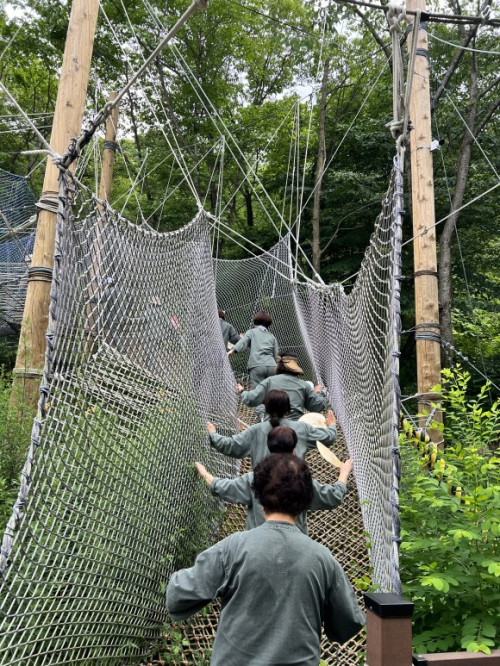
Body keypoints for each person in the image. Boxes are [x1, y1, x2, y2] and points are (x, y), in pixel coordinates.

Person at [166, 454, 365, 665]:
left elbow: (178, 595)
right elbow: (349, 622)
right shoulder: (323, 559)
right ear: (306, 500)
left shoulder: (232, 548)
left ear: (259, 497)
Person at [196, 426, 352, 534]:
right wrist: (343, 474)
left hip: (257, 548)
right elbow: (333, 496)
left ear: (269, 447)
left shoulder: (255, 478)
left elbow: (221, 487)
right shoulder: (303, 481)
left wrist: (204, 473)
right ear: (293, 449)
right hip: (296, 549)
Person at [207, 389, 338, 467]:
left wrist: (213, 435)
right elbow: (328, 438)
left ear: (266, 409)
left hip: (263, 491)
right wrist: (331, 425)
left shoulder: (255, 430)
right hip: (295, 488)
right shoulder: (302, 428)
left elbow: (231, 445)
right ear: (288, 410)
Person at [237, 350, 327, 420]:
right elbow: (317, 406)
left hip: (271, 427)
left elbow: (251, 399)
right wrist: (318, 392)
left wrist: (242, 391)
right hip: (295, 430)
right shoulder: (304, 385)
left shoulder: (269, 382)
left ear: (279, 366)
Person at [228, 311, 279, 419]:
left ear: (256, 321)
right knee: (269, 394)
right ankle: (271, 416)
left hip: (257, 366)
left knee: (257, 394)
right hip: (272, 367)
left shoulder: (252, 332)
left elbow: (242, 343)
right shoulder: (272, 337)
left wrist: (232, 351)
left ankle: (264, 418)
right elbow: (276, 355)